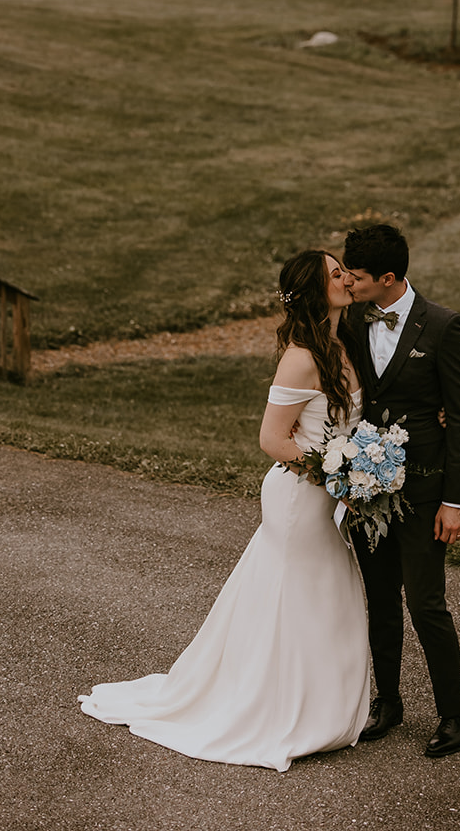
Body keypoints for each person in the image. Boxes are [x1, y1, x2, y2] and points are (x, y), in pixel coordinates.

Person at [78, 250, 371, 772]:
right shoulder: (302, 356)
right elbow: (271, 439)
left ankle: (323, 707)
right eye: (334, 274)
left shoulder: (341, 345)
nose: (346, 278)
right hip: (299, 498)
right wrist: (336, 473)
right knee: (299, 595)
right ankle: (280, 710)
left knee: (326, 591)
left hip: (328, 492)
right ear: (312, 290)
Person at [341, 222, 460, 760]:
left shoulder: (442, 326)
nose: (349, 284)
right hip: (365, 489)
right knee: (380, 602)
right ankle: (388, 702)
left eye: (356, 277)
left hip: (425, 493)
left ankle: (455, 714)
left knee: (426, 604)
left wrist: (455, 500)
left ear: (388, 278)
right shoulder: (349, 320)